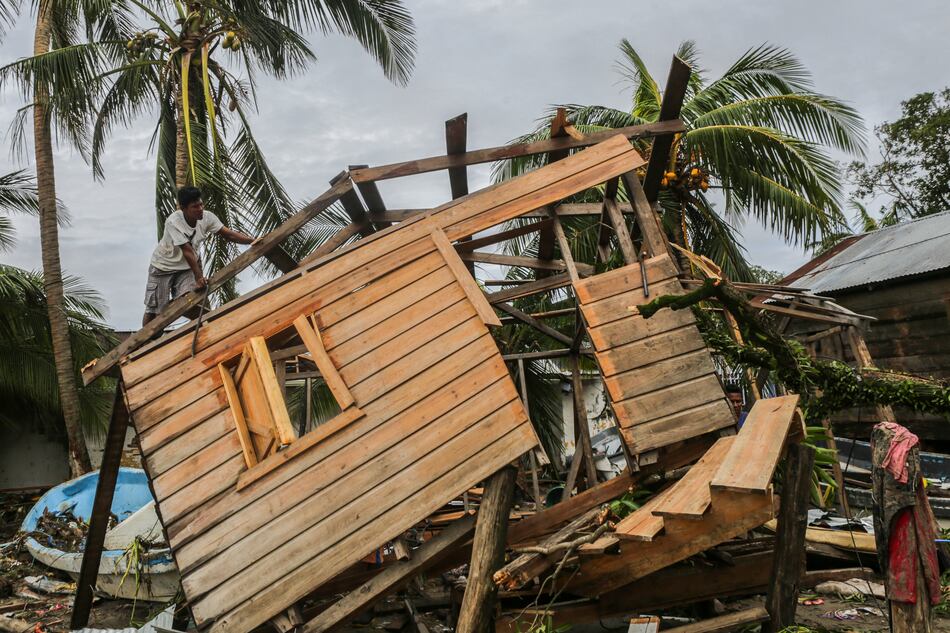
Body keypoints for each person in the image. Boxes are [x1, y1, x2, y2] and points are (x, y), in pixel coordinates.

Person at [143, 186, 257, 326]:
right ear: (183, 208)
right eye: (195, 207)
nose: (200, 209)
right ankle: (143, 343)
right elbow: (187, 250)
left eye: (201, 204)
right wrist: (199, 277)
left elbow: (228, 234)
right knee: (154, 311)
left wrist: (252, 241)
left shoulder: (207, 217)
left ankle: (206, 324)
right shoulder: (174, 221)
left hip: (187, 268)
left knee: (190, 298)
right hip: (162, 267)